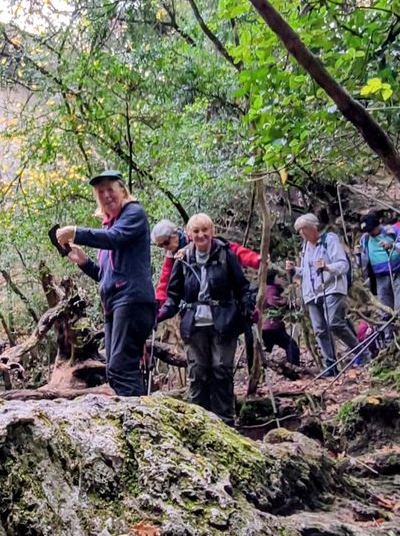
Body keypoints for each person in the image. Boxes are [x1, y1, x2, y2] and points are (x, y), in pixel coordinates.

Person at [55, 170, 157, 397]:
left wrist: (77, 232)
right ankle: (136, 418)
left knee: (122, 368)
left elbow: (116, 239)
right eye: (101, 192)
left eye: (110, 189)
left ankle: (140, 422)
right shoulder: (111, 225)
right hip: (115, 305)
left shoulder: (134, 213)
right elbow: (106, 276)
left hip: (132, 302)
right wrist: (84, 262)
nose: (106, 195)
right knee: (115, 369)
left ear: (122, 190)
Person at [156, 214, 247, 425]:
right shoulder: (183, 258)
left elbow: (241, 287)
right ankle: (199, 423)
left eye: (205, 230)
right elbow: (173, 295)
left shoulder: (226, 255)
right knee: (198, 373)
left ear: (212, 231)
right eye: (196, 231)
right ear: (189, 234)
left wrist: (249, 309)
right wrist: (158, 315)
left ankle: (225, 422)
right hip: (194, 326)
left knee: (222, 370)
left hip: (224, 323)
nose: (201, 235)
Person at [285, 213, 360, 378]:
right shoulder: (305, 247)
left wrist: (327, 267)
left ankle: (361, 353)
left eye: (304, 229)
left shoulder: (329, 240)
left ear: (314, 228)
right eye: (299, 231)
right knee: (320, 330)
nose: (302, 234)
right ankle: (330, 366)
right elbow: (306, 272)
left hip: (332, 288)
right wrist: (294, 271)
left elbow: (343, 265)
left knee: (335, 323)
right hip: (312, 294)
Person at [151, 219, 261, 304]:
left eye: (166, 243)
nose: (165, 248)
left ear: (175, 236)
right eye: (160, 246)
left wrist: (256, 260)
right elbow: (165, 281)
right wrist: (157, 304)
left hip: (219, 291)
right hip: (194, 301)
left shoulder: (198, 239)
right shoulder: (172, 255)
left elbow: (233, 250)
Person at [358, 212, 400, 314]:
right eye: (367, 231)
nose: (370, 233)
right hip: (380, 277)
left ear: (378, 224)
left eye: (371, 230)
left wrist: (393, 245)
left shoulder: (392, 231)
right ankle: (389, 329)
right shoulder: (365, 239)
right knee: (384, 309)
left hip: (399, 271)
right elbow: (364, 259)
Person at [260, 270, 301, 365]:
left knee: (267, 350)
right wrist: (289, 304)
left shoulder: (266, 289)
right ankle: (293, 367)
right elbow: (274, 302)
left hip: (266, 326)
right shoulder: (271, 289)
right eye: (280, 277)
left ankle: (262, 370)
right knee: (291, 345)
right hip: (272, 325)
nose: (282, 280)